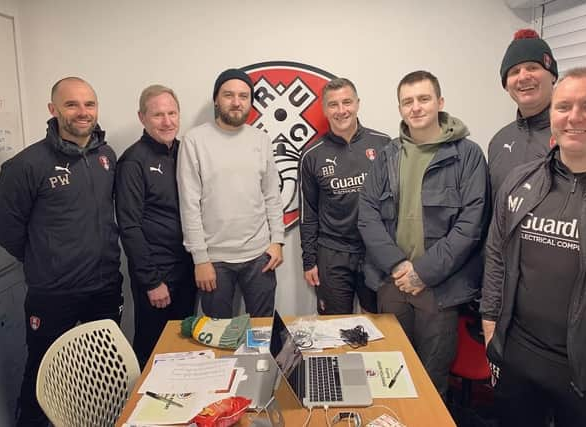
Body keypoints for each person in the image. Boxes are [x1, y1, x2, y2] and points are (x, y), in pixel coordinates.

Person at [481, 67, 586, 426]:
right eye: (564, 106)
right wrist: (492, 332)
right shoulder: (520, 181)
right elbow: (496, 258)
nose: (574, 117)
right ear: (552, 115)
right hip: (519, 357)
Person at [0, 77, 123, 427]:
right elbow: (7, 230)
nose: (82, 113)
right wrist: (47, 258)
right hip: (53, 294)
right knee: (46, 376)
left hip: (104, 287)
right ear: (53, 110)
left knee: (104, 377)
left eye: (89, 104)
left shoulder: (106, 156)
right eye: (72, 105)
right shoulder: (25, 166)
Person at [358, 70, 490, 395]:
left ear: (440, 102)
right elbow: (368, 214)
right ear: (400, 108)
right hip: (392, 282)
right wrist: (398, 265)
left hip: (439, 287)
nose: (416, 107)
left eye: (423, 99)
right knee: (390, 373)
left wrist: (423, 272)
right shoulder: (388, 154)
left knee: (431, 379)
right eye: (407, 101)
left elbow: (471, 224)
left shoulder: (467, 154)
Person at [177, 68, 284, 318]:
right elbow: (189, 204)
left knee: (263, 332)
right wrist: (200, 259)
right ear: (216, 99)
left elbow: (271, 195)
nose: (236, 102)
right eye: (228, 95)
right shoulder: (194, 141)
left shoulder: (260, 140)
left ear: (250, 101)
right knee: (218, 338)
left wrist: (277, 241)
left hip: (260, 256)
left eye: (244, 96)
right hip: (214, 260)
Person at [488, 29, 586, 201]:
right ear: (506, 85)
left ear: (552, 76)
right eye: (514, 71)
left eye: (533, 67)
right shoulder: (498, 142)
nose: (523, 76)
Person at [115, 85, 196, 368]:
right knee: (153, 350)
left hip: (186, 268)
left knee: (183, 347)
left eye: (172, 113)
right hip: (157, 275)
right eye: (158, 114)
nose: (167, 121)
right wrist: (151, 281)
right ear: (142, 118)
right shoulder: (133, 161)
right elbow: (130, 226)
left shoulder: (184, 151)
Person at [299, 77, 389, 315]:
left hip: (375, 251)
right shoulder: (311, 155)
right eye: (333, 104)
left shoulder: (384, 145)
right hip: (332, 253)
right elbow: (308, 213)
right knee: (334, 326)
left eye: (347, 102)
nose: (341, 110)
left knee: (379, 322)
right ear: (324, 108)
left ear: (358, 103)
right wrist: (309, 260)